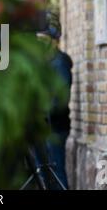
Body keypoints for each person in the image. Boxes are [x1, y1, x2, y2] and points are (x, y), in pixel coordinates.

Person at [37, 21, 73, 189]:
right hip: (43, 127)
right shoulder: (46, 61)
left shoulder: (59, 62)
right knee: (44, 174)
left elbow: (60, 98)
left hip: (55, 128)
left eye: (43, 40)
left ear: (53, 40)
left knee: (56, 172)